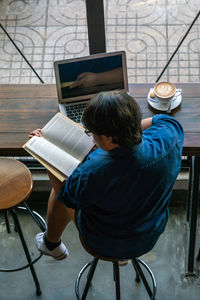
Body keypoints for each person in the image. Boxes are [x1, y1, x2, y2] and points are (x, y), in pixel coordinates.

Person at [29, 90, 184, 260]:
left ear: (109, 138)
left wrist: (46, 158)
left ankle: (51, 244)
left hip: (104, 243)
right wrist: (124, 133)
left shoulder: (93, 172)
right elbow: (163, 120)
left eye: (91, 133)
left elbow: (66, 196)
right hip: (149, 234)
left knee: (60, 187)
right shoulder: (169, 138)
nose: (91, 138)